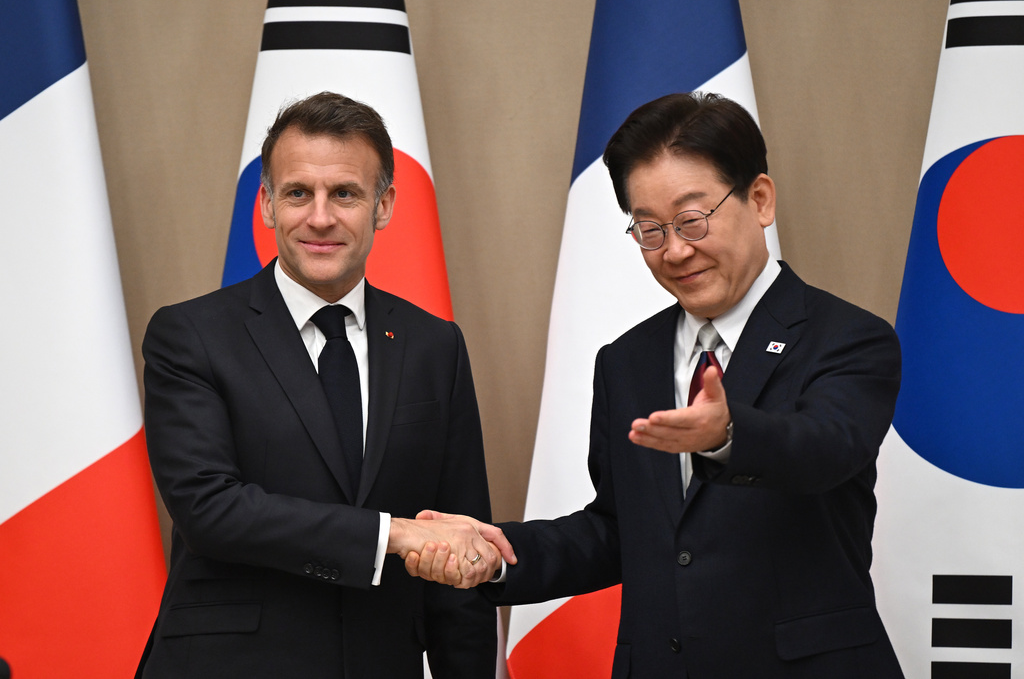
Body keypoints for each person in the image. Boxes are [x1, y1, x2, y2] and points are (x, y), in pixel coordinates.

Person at [407, 92, 905, 678]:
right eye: (649, 230)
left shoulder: (847, 337)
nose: (674, 250)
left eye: (692, 220)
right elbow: (619, 531)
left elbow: (824, 449)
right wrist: (498, 555)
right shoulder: (626, 361)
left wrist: (727, 435)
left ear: (760, 199)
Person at [136, 92, 512, 679]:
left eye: (345, 193)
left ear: (383, 205)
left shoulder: (435, 346)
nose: (319, 217)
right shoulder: (189, 335)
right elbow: (209, 509)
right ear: (265, 203)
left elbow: (455, 545)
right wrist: (391, 535)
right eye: (297, 193)